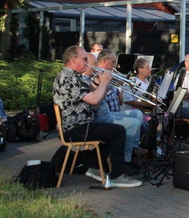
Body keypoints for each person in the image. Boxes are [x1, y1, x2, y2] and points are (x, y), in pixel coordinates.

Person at [52, 45, 141, 188]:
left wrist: (98, 83)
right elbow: (94, 100)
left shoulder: (72, 76)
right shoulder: (69, 78)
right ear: (74, 60)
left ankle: (94, 167)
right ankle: (117, 175)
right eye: (84, 59)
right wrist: (104, 83)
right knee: (118, 131)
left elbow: (89, 95)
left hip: (80, 125)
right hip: (76, 127)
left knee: (110, 131)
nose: (87, 63)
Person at [92, 50, 145, 175]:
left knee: (138, 114)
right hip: (102, 115)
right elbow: (98, 100)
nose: (115, 65)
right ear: (105, 61)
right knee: (133, 123)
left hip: (111, 112)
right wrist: (104, 83)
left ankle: (132, 152)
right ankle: (126, 161)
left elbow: (120, 101)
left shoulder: (108, 74)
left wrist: (120, 87)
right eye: (114, 62)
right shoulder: (96, 75)